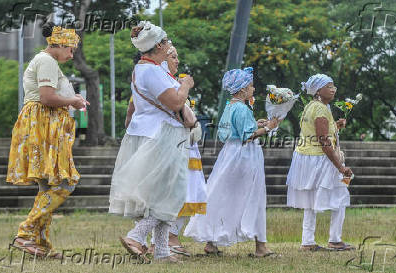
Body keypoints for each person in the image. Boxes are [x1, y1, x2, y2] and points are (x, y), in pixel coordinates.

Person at [109, 21, 194, 263]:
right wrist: (186, 84)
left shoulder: (143, 69)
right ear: (158, 46)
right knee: (169, 192)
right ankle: (137, 236)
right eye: (166, 42)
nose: (169, 46)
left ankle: (162, 251)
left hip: (151, 132)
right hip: (163, 135)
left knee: (162, 192)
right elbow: (175, 102)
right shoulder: (152, 71)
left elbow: (133, 107)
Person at [7, 22, 87, 258]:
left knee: (47, 188)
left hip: (43, 125)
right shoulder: (47, 61)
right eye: (70, 49)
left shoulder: (46, 62)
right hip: (43, 124)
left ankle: (41, 245)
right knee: (67, 182)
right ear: (59, 44)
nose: (71, 55)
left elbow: (50, 96)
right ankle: (25, 234)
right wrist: (72, 101)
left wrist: (73, 99)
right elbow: (47, 97)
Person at [184, 67, 280, 257]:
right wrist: (268, 127)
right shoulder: (242, 108)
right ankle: (260, 246)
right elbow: (247, 136)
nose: (253, 90)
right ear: (242, 89)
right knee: (253, 196)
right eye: (251, 86)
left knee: (222, 194)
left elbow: (232, 130)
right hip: (245, 156)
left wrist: (257, 124)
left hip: (229, 154)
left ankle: (211, 242)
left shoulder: (230, 106)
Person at [146, 46, 207, 257]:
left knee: (188, 193)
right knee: (169, 194)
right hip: (169, 145)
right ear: (162, 60)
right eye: (172, 57)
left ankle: (170, 237)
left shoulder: (173, 83)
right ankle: (160, 240)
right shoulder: (159, 85)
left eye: (178, 56)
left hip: (187, 147)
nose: (177, 61)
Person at [285, 74, 355, 251]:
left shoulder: (312, 106)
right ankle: (335, 239)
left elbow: (316, 132)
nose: (333, 89)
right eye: (329, 86)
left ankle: (307, 241)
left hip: (307, 158)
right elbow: (323, 141)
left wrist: (336, 126)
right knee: (340, 196)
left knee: (310, 201)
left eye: (334, 86)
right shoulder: (322, 109)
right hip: (320, 159)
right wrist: (340, 166)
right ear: (318, 90)